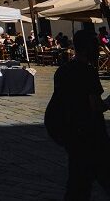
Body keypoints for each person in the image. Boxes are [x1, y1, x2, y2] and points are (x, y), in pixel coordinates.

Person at [52, 29, 110, 199]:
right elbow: (95, 105)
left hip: (71, 131)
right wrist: (107, 103)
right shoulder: (88, 72)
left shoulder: (62, 71)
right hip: (91, 133)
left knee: (78, 180)